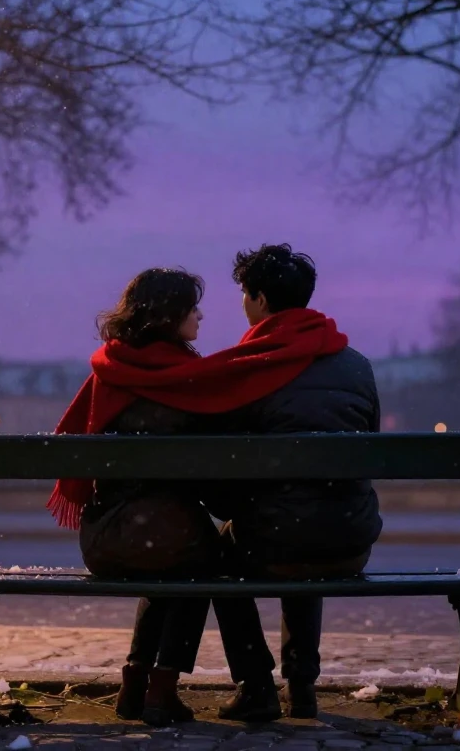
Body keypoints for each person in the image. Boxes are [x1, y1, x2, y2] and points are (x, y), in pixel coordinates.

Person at [51, 267, 350, 725]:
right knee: (202, 558)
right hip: (168, 539)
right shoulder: (190, 381)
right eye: (192, 308)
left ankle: (135, 684)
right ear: (171, 316)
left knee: (175, 554)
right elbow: (214, 483)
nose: (201, 316)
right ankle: (163, 689)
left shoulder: (106, 372)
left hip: (103, 540)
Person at [207, 244, 383, 722]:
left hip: (276, 541)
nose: (243, 306)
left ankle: (256, 683)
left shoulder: (248, 366)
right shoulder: (356, 364)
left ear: (260, 299)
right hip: (349, 538)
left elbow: (225, 470)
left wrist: (233, 508)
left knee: (223, 553)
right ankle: (301, 684)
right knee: (306, 521)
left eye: (245, 295)